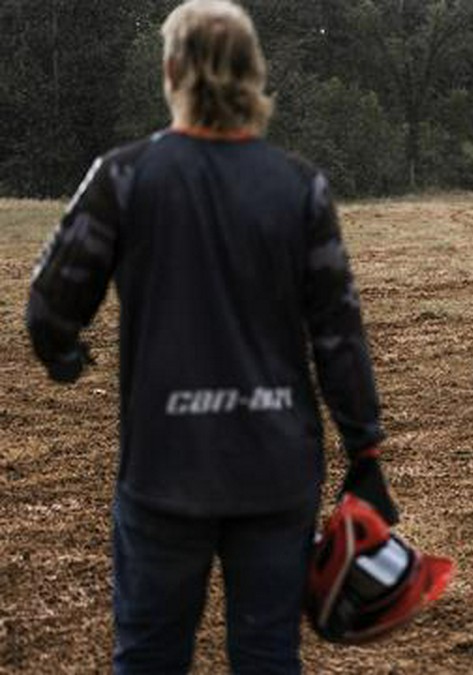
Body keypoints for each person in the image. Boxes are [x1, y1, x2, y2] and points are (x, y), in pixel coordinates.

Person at [25, 1, 397, 672]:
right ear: (253, 74)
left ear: (171, 71)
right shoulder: (299, 186)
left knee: (148, 656)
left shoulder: (125, 175)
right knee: (265, 655)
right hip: (277, 469)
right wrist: (364, 451)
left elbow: (50, 304)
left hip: (166, 468)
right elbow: (338, 331)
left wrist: (64, 355)